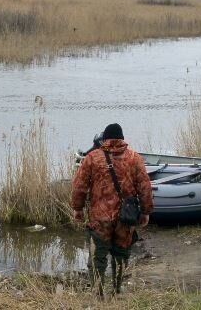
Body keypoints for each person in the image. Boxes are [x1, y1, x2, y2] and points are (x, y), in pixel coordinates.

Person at [71, 123, 154, 297]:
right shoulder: (135, 158)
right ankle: (117, 289)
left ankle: (98, 292)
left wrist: (77, 209)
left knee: (97, 257)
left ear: (105, 138)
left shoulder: (92, 158)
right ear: (122, 139)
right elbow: (145, 187)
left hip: (100, 217)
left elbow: (79, 186)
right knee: (121, 254)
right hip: (126, 217)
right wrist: (145, 212)